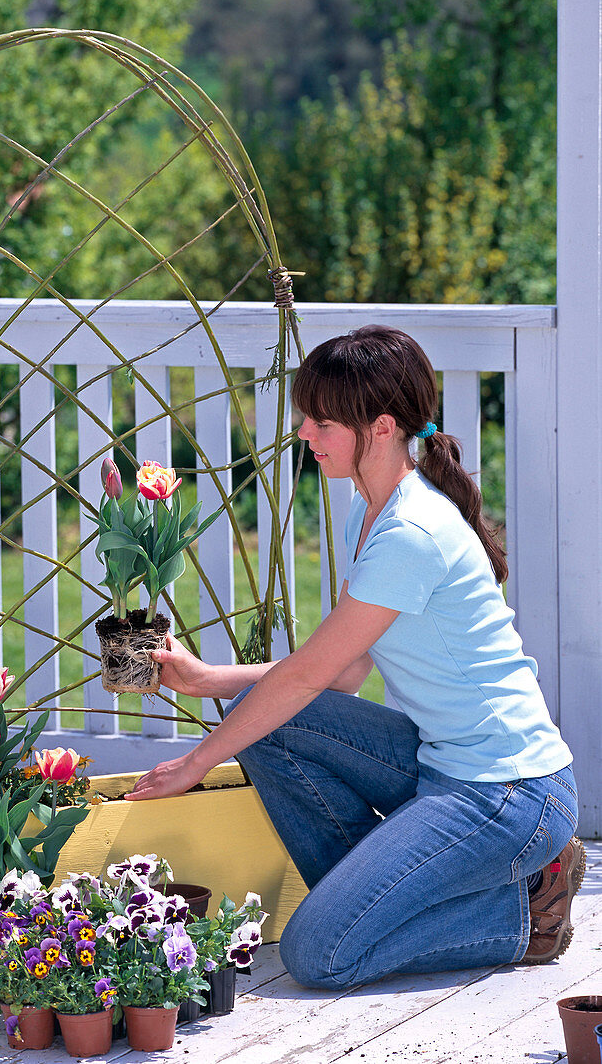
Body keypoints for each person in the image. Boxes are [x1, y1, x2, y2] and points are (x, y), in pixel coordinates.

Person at [125, 324, 582, 988]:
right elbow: (341, 670)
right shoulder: (366, 508)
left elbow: (311, 673)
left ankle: (523, 914)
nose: (305, 433)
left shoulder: (412, 532)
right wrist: (208, 679)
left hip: (508, 793)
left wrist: (196, 762)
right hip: (440, 762)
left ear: (381, 427)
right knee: (269, 718)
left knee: (318, 953)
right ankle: (372, 900)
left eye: (322, 422)